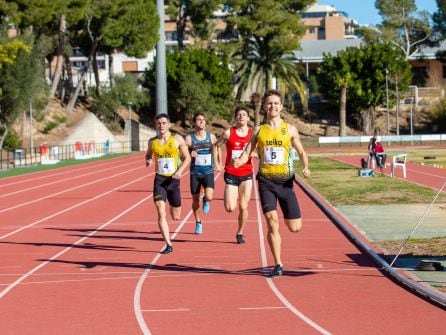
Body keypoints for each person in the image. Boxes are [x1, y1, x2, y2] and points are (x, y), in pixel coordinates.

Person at [233, 90, 311, 277]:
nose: (272, 106)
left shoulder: (290, 129)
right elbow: (246, 152)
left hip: (285, 183)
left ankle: (287, 222)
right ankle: (278, 263)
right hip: (266, 181)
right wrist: (239, 162)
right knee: (271, 221)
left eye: (276, 103)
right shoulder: (259, 131)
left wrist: (306, 167)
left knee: (295, 227)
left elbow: (301, 152)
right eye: (269, 103)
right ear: (264, 106)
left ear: (281, 106)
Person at [145, 113, 191, 254]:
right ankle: (168, 244)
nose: (161, 126)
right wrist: (148, 160)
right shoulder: (152, 142)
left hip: (173, 180)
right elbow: (148, 154)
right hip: (159, 180)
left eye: (164, 123)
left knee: (176, 216)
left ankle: (173, 205)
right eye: (159, 123)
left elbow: (187, 157)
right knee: (160, 211)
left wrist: (180, 171)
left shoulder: (177, 139)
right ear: (156, 125)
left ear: (169, 125)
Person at [216, 106, 254, 244]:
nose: (241, 117)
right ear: (235, 118)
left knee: (243, 206)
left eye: (244, 114)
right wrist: (217, 163)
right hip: (231, 173)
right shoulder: (228, 133)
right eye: (239, 115)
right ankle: (231, 194)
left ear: (248, 118)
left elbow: (261, 149)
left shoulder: (252, 134)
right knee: (230, 208)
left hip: (246, 173)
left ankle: (240, 233)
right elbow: (216, 146)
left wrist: (255, 154)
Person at [185, 112, 221, 235]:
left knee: (210, 196)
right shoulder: (189, 138)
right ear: (194, 123)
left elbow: (216, 150)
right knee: (195, 201)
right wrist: (189, 154)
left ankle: (206, 199)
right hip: (195, 173)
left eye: (203, 120)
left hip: (208, 171)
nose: (201, 122)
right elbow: (182, 154)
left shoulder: (211, 137)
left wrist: (217, 163)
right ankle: (198, 222)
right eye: (199, 120)